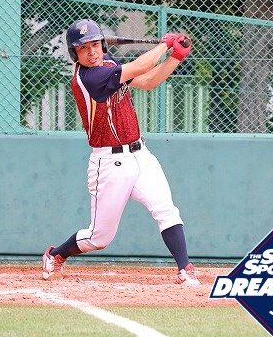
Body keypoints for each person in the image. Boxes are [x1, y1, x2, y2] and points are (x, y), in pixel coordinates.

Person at [41, 19, 200, 285]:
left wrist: (176, 57)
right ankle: (56, 254)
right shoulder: (88, 78)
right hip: (108, 162)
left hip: (141, 154)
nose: (91, 52)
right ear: (75, 54)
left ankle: (185, 268)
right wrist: (164, 45)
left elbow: (147, 80)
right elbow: (141, 66)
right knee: (99, 238)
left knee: (166, 209)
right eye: (83, 48)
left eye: (95, 45)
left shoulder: (109, 64)